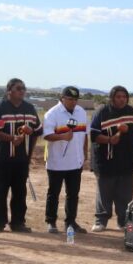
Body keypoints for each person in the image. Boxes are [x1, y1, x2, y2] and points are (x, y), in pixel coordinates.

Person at [0, 78, 43, 233]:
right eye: (19, 88)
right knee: (0, 190)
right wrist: (12, 138)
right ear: (9, 90)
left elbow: (38, 131)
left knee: (19, 191)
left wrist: (30, 132)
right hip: (1, 157)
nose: (22, 91)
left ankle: (18, 222)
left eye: (24, 88)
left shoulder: (30, 108)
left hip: (21, 159)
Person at [90, 85, 133, 232]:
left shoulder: (131, 112)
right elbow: (93, 136)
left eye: (124, 97)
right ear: (112, 98)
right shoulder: (102, 112)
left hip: (127, 160)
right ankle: (101, 220)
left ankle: (123, 221)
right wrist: (108, 139)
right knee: (104, 192)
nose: (122, 99)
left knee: (125, 194)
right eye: (118, 97)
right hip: (106, 160)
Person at [43, 86, 89, 234]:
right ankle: (51, 221)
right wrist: (62, 136)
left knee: (73, 194)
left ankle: (71, 222)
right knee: (54, 193)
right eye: (70, 99)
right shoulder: (52, 114)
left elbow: (85, 134)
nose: (73, 102)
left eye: (75, 99)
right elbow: (47, 135)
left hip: (76, 161)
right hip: (57, 162)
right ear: (62, 98)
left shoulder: (81, 112)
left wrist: (84, 152)